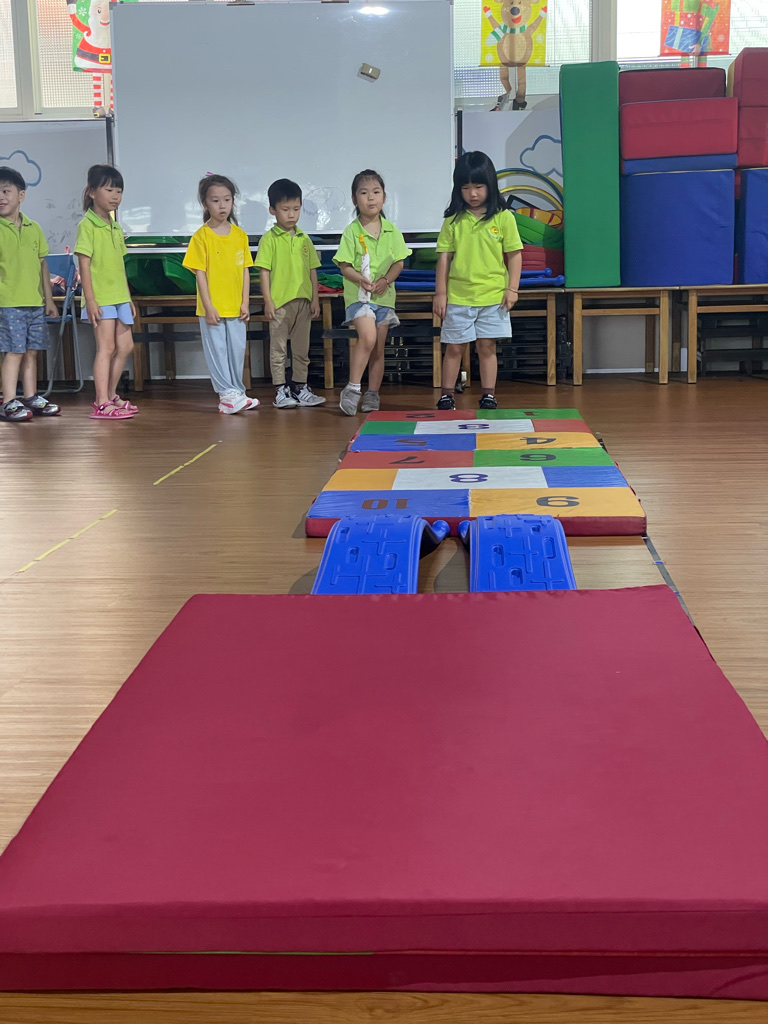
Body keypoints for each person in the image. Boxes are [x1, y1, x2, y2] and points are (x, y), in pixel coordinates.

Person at [433, 151, 523, 411]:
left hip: (494, 296)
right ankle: (447, 395)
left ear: (490, 185)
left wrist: (512, 289)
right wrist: (441, 293)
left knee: (487, 346)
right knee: (454, 348)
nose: (472, 193)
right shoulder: (453, 220)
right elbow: (444, 258)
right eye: (465, 188)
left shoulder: (504, 217)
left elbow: (514, 255)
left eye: (478, 187)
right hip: (459, 296)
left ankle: (488, 395)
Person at [334, 170, 411, 415]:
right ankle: (353, 388)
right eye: (364, 193)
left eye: (376, 192)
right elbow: (344, 266)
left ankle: (373, 393)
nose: (371, 198)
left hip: (384, 298)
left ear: (384, 197)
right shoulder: (351, 231)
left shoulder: (392, 230)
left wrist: (386, 280)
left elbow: (399, 263)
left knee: (378, 347)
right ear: (354, 199)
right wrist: (362, 280)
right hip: (359, 297)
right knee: (367, 337)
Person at [183, 174, 259, 415]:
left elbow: (245, 271)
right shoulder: (201, 237)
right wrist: (208, 306)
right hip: (213, 307)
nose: (222, 205)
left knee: (236, 350)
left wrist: (245, 302)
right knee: (217, 351)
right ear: (205, 204)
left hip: (236, 307)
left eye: (227, 199)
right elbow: (200, 274)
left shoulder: (240, 235)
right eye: (215, 200)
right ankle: (226, 395)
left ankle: (237, 391)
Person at [255, 179, 325, 408]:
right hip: (280, 304)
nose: (291, 214)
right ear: (272, 210)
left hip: (303, 303)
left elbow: (312, 271)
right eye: (285, 209)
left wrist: (315, 299)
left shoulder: (305, 239)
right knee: (278, 349)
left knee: (301, 349)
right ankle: (280, 390)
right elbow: (264, 272)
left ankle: (300, 387)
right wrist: (268, 301)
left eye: (296, 208)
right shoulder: (269, 240)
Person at [76, 163, 138, 419]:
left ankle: (111, 395)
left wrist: (128, 297)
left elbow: (119, 266)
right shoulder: (87, 225)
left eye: (119, 191)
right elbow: (84, 264)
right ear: (92, 192)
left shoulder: (115, 227)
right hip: (101, 297)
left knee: (126, 346)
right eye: (109, 190)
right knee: (106, 347)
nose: (115, 196)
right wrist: (90, 299)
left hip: (120, 297)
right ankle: (101, 402)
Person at [0, 167, 60, 421]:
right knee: (14, 351)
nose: (1, 197)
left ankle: (31, 396)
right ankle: (8, 401)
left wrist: (49, 300)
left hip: (34, 303)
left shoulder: (34, 228)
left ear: (21, 195)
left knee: (32, 351)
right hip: (8, 303)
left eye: (6, 191)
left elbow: (42, 264)